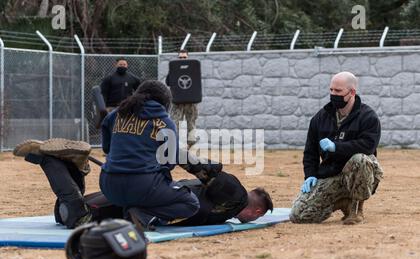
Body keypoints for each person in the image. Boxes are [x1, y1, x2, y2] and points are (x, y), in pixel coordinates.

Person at [13, 139, 273, 229]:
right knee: (73, 215)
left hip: (142, 194)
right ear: (257, 211)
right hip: (148, 199)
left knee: (63, 213)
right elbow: (203, 170)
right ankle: (51, 161)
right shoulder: (236, 196)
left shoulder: (227, 211)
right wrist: (172, 150)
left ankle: (69, 164)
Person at [99, 80, 200, 226]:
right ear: (165, 101)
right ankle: (144, 215)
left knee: (132, 195)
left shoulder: (116, 114)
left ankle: (131, 209)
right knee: (191, 203)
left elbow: (106, 148)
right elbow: (169, 163)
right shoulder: (165, 122)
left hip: (108, 186)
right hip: (143, 186)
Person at [290, 71, 384, 225]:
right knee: (298, 215)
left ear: (352, 92)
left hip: (360, 174)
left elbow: (368, 146)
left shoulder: (368, 117)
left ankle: (356, 208)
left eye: (338, 91)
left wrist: (336, 147)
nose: (333, 94)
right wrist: (310, 175)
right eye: (331, 90)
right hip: (331, 175)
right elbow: (310, 152)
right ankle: (342, 201)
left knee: (360, 159)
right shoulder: (320, 118)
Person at [166, 49, 199, 148]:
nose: (182, 59)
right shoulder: (174, 69)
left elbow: (197, 84)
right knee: (174, 123)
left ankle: (191, 144)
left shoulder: (193, 68)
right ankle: (173, 144)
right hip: (177, 101)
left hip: (191, 101)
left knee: (191, 122)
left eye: (184, 57)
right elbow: (168, 82)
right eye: (180, 57)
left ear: (187, 57)